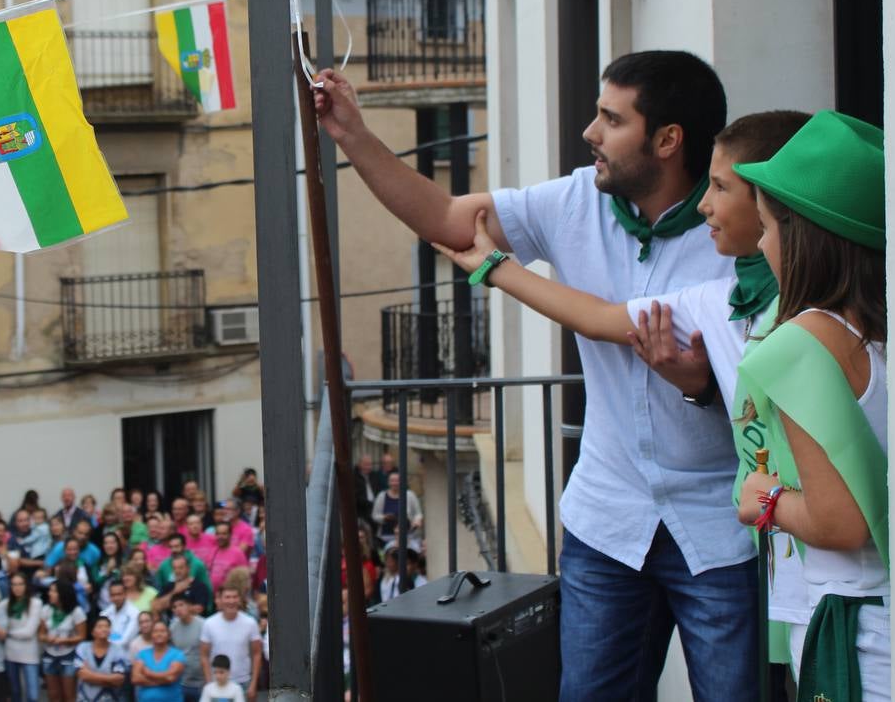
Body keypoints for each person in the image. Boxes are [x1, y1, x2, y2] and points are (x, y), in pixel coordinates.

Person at [314, 52, 755, 700]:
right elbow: (445, 218)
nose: (591, 133)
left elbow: (751, 385)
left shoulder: (740, 235)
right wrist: (351, 132)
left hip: (718, 527)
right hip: (607, 522)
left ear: (667, 141)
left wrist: (701, 384)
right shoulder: (575, 199)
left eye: (611, 119)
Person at [435, 110, 813, 684]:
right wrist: (495, 266)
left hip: (788, 550)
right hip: (756, 543)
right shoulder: (722, 298)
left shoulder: (822, 317)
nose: (706, 206)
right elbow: (598, 319)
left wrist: (767, 503)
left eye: (722, 188)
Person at [723, 112, 890, 701]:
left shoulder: (804, 341)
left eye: (767, 228)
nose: (761, 244)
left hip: (859, 635)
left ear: (804, 237)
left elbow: (839, 522)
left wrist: (763, 497)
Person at [198, 589, 259, 701]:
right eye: (227, 597)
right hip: (217, 682)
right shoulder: (209, 623)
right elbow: (204, 655)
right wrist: (209, 682)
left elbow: (256, 654)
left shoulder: (250, 623)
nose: (231, 601)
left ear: (240, 600)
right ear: (220, 600)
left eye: (235, 597)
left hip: (243, 682)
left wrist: (253, 684)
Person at [39, 581, 86, 702]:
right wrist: (46, 638)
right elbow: (40, 633)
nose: (50, 593)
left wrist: (65, 640)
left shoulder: (76, 612)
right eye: (50, 590)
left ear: (63, 593)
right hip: (49, 654)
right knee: (53, 694)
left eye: (53, 591)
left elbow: (82, 636)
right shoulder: (46, 609)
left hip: (69, 656)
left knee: (69, 695)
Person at [0, 572, 40, 702]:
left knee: (33, 695)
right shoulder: (6, 603)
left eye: (20, 584)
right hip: (10, 653)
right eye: (14, 584)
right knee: (15, 693)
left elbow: (29, 632)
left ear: (26, 585)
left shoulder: (35, 603)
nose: (17, 587)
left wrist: (8, 633)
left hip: (30, 654)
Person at [74, 617, 126, 702]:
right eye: (100, 626)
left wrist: (90, 675)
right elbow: (82, 675)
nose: (104, 629)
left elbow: (119, 680)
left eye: (107, 626)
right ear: (92, 632)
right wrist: (110, 679)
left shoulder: (118, 650)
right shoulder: (82, 648)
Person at [131, 620, 183, 702]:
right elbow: (136, 679)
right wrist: (162, 679)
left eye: (162, 631)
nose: (159, 634)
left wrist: (148, 673)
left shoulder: (177, 654)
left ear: (169, 635)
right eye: (155, 631)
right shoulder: (142, 654)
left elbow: (170, 678)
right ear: (151, 635)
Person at [167, 595, 206, 702]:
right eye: (174, 607)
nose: (178, 609)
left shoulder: (203, 625)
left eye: (181, 605)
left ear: (189, 606)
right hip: (181, 682)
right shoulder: (173, 627)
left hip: (201, 682)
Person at [369, 474, 421, 548]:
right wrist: (384, 517)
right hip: (386, 536)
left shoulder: (410, 495)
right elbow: (374, 515)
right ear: (388, 482)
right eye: (392, 481)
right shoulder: (382, 496)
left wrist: (416, 521)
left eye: (397, 481)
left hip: (407, 536)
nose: (395, 483)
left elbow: (418, 514)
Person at [201, 526, 247, 598]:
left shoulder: (238, 553)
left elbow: (245, 578)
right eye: (218, 534)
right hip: (212, 597)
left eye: (224, 534)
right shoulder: (212, 551)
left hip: (230, 599)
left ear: (230, 535)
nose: (220, 537)